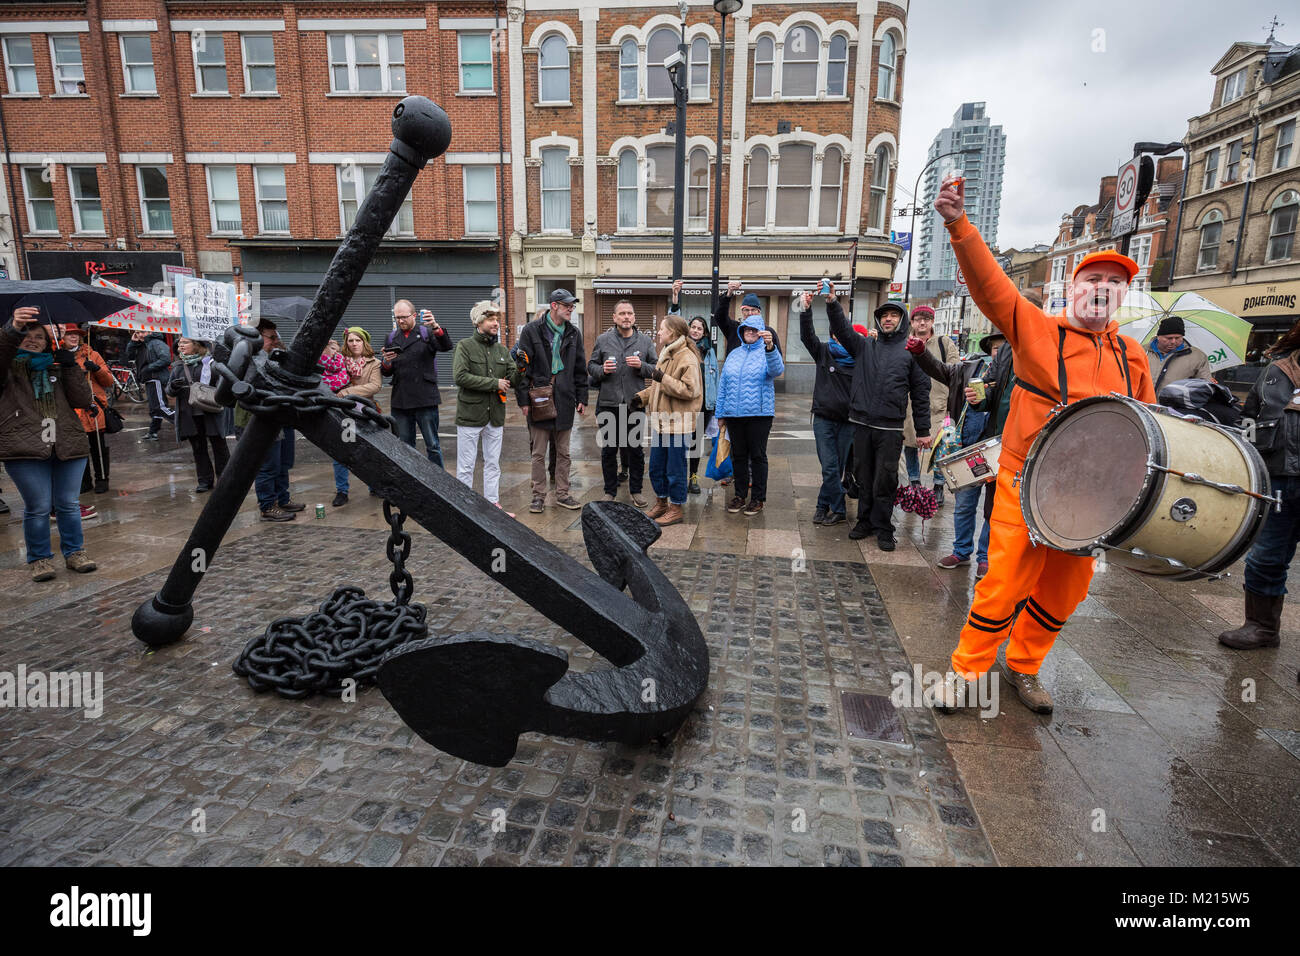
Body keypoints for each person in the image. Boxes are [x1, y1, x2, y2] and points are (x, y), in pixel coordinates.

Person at [930, 178, 1154, 715]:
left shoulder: (1133, 355)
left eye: (1113, 283)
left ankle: (1024, 666)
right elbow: (992, 289)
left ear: (1123, 295)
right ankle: (967, 673)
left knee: (1064, 591)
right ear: (1075, 289)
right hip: (1023, 480)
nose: (1101, 288)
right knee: (1003, 583)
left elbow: (1150, 425)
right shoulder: (1039, 332)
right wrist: (959, 224)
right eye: (1093, 279)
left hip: (1093, 497)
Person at [825, 292, 931, 551]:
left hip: (890, 427)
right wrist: (832, 304)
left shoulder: (911, 352)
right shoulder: (864, 346)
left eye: (893, 315)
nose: (888, 319)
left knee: (885, 479)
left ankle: (884, 527)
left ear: (902, 320)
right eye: (884, 316)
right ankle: (864, 521)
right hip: (861, 423)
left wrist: (923, 430)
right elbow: (843, 329)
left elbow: (920, 394)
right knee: (863, 475)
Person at [1219, 320, 1300, 650]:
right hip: (1277, 478)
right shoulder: (1277, 370)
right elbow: (1249, 418)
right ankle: (1262, 627)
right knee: (1265, 557)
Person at [1, 307, 97, 580]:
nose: (33, 340)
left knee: (68, 503)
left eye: (39, 337)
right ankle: (40, 558)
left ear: (47, 341)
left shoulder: (57, 365)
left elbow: (81, 399)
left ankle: (75, 552)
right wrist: (12, 328)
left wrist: (69, 364)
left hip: (66, 443)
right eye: (26, 335)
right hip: (25, 447)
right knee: (39, 505)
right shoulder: (8, 369)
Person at [910, 330, 1005, 577]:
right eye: (996, 347)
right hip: (967, 450)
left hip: (1000, 451)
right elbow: (939, 369)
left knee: (993, 509)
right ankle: (962, 552)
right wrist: (920, 353)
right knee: (964, 505)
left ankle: (985, 557)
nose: (1000, 352)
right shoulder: (970, 369)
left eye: (1005, 347)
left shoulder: (1016, 376)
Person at [515, 289, 588, 513]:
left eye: (572, 305)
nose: (571, 309)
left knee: (564, 452)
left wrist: (582, 397)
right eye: (567, 305)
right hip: (539, 398)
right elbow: (522, 367)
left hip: (565, 399)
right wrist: (523, 400)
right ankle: (538, 496)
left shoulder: (574, 333)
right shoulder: (531, 330)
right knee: (538, 452)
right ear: (554, 306)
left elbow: (579, 368)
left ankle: (562, 494)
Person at [453, 301, 522, 515]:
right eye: (491, 319)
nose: (496, 324)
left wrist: (521, 367)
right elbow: (460, 377)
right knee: (466, 466)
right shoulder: (465, 346)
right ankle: (463, 507)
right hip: (470, 415)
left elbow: (513, 379)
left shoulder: (502, 350)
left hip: (495, 416)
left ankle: (492, 504)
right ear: (478, 321)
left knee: (493, 464)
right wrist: (494, 383)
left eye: (497, 320)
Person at [634, 313, 702, 527]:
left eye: (662, 329)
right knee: (656, 466)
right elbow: (658, 386)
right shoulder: (667, 352)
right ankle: (662, 502)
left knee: (675, 468)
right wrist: (641, 398)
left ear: (672, 332)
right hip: (661, 422)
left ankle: (676, 507)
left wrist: (662, 378)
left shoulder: (686, 357)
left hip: (678, 423)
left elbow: (690, 390)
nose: (659, 332)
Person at [714, 311, 784, 517]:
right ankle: (740, 495)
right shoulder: (734, 353)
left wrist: (771, 348)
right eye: (747, 329)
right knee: (739, 457)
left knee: (758, 456)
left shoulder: (767, 350)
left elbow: (777, 371)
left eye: (754, 329)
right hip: (734, 415)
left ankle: (758, 499)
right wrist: (720, 413)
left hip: (759, 415)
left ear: (761, 332)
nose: (750, 332)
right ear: (741, 331)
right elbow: (723, 384)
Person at [589, 299, 657, 508]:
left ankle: (636, 490)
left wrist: (642, 366)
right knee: (609, 450)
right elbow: (591, 366)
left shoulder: (645, 342)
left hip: (634, 404)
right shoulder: (603, 340)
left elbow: (656, 368)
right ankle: (610, 491)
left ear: (634, 318)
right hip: (608, 403)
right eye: (622, 313)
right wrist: (602, 371)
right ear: (615, 318)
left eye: (630, 313)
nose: (626, 317)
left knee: (635, 449)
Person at [796, 290, 855, 526]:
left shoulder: (859, 355)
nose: (838, 340)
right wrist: (805, 310)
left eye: (842, 336)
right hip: (824, 419)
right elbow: (807, 336)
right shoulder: (824, 352)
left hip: (849, 421)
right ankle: (839, 509)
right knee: (830, 467)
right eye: (835, 336)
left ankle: (822, 505)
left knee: (836, 468)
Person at [381, 299, 453, 467]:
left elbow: (446, 346)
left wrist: (435, 326)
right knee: (405, 446)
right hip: (401, 400)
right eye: (397, 317)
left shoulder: (427, 333)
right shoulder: (391, 338)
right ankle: (412, 481)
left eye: (404, 317)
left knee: (433, 445)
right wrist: (386, 362)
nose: (400, 321)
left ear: (414, 315)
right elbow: (386, 372)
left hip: (425, 398)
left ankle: (440, 483)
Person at [902, 305, 959, 506]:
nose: (922, 322)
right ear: (912, 322)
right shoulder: (904, 342)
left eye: (926, 319)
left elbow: (955, 371)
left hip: (938, 404)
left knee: (941, 447)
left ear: (932, 322)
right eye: (918, 319)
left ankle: (938, 485)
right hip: (911, 404)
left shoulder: (944, 343)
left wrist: (952, 402)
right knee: (910, 444)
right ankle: (914, 482)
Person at [247, 318, 303, 521]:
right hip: (265, 417)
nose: (274, 340)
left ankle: (283, 498)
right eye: (271, 337)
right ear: (258, 336)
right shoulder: (251, 359)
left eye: (275, 337)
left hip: (282, 416)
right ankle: (268, 505)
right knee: (268, 465)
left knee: (283, 463)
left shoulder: (272, 357)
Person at [167, 337, 230, 493]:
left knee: (219, 446)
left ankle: (225, 479)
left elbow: (223, 384)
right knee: (198, 448)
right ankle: (204, 481)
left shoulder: (211, 364)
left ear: (197, 346)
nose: (180, 346)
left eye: (185, 343)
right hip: (189, 414)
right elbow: (168, 391)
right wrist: (174, 387)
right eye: (179, 343)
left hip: (211, 412)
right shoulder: (178, 367)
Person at [61, 325, 114, 501]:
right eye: (70, 334)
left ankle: (102, 478)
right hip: (71, 409)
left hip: (92, 406)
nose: (74, 337)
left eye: (76, 334)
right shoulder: (59, 355)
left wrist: (96, 369)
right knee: (78, 447)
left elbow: (108, 382)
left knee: (98, 445)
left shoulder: (92, 355)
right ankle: (84, 481)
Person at [332, 327, 383, 505]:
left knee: (370, 450)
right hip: (344, 412)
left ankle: (374, 485)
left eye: (358, 340)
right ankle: (342, 491)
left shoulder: (374, 363)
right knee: (343, 451)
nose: (354, 344)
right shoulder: (338, 361)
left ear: (364, 342)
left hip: (366, 411)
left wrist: (348, 391)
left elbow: (375, 385)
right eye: (350, 340)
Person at [696, 280, 784, 357]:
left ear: (759, 312)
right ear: (742, 312)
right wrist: (729, 294)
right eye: (746, 310)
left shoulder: (768, 332)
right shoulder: (734, 329)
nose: (750, 313)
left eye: (753, 310)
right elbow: (720, 317)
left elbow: (777, 361)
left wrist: (771, 347)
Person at [126, 327, 174, 440]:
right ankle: (153, 432)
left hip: (155, 378)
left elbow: (166, 359)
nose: (140, 335)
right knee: (154, 408)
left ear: (150, 331)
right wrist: (132, 342)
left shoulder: (156, 342)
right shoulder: (140, 344)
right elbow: (129, 356)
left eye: (142, 332)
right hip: (148, 379)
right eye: (137, 332)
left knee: (160, 407)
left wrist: (149, 368)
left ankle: (185, 423)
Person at [1146, 315, 1214, 392]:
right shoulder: (1142, 351)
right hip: (1139, 403)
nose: (1173, 341)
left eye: (1177, 338)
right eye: (1169, 338)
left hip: (1174, 403)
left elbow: (1204, 386)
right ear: (1158, 336)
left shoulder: (1198, 356)